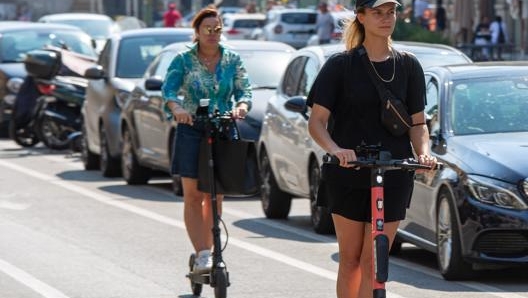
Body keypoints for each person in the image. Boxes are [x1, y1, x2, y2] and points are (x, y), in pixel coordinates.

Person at [306, 1, 437, 297]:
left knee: (375, 260)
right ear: (361, 17)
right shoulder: (341, 66)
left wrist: (423, 153)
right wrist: (337, 150)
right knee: (350, 260)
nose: (386, 18)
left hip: (393, 174)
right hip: (349, 172)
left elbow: (418, 124)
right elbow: (317, 122)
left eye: (390, 12)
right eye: (378, 12)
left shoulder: (409, 65)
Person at [161, 7, 252, 274]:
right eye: (208, 29)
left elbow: (244, 88)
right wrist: (177, 109)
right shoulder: (183, 60)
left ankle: (210, 251)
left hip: (221, 128)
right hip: (192, 128)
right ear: (197, 32)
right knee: (194, 195)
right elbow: (169, 89)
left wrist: (243, 106)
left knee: (215, 193)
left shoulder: (232, 59)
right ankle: (201, 253)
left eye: (218, 29)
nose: (213, 34)